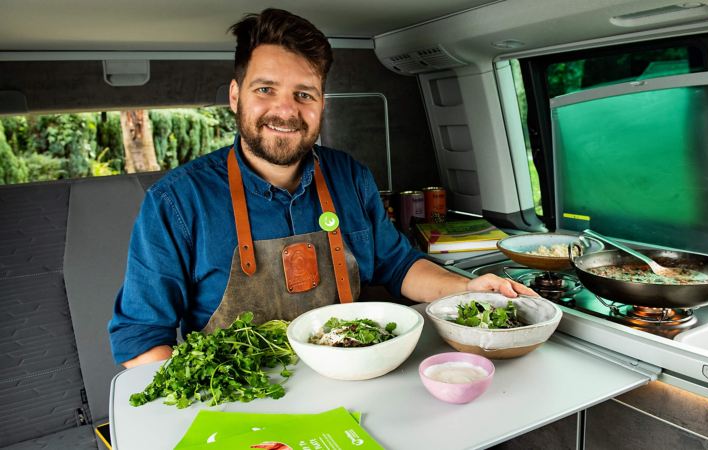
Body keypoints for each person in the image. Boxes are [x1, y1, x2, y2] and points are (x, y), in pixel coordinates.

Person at [108, 8, 534, 368]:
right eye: (265, 89)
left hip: (355, 374)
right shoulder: (176, 202)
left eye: (304, 94)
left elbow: (399, 267)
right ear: (236, 96)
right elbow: (141, 337)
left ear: (322, 103)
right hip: (244, 400)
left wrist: (466, 289)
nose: (285, 110)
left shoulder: (350, 177)